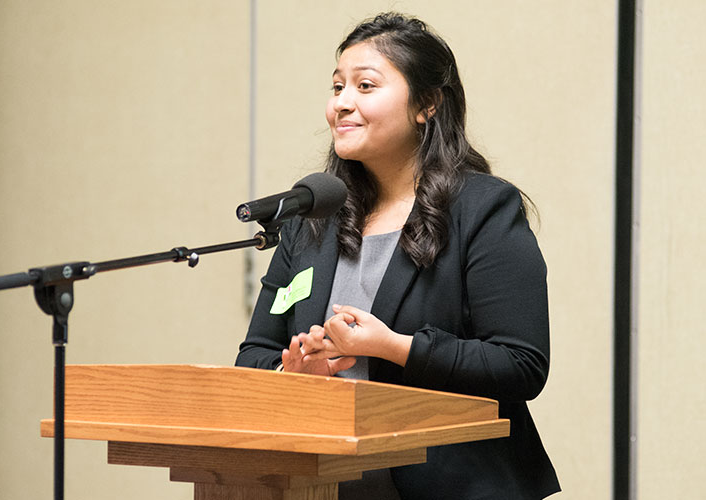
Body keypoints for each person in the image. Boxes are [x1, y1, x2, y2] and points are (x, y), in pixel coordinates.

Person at [236, 12, 560, 500]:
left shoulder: (482, 209)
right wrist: (293, 374)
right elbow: (253, 355)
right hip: (322, 483)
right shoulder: (313, 219)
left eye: (365, 86)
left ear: (426, 104)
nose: (341, 104)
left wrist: (395, 347)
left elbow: (520, 364)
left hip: (454, 485)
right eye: (337, 86)